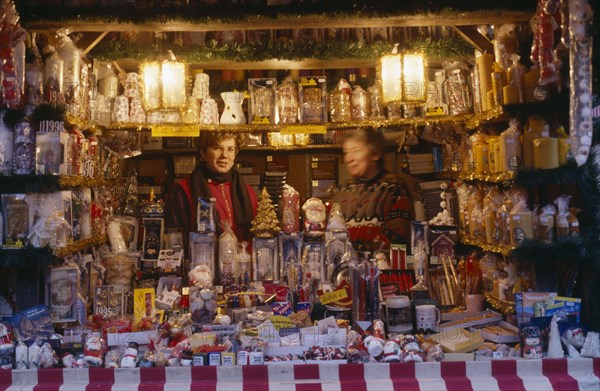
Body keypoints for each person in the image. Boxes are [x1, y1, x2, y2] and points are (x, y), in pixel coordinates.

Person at [165, 132, 258, 256]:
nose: (224, 155)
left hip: (243, 267)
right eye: (217, 148)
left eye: (230, 149)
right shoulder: (183, 190)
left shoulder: (247, 191)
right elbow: (175, 242)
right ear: (203, 153)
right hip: (201, 269)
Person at [329, 128, 415, 253]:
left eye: (356, 151)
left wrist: (355, 251)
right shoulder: (341, 191)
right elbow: (330, 234)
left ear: (375, 154)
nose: (349, 158)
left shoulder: (393, 188)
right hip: (344, 269)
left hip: (381, 269)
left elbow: (398, 239)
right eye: (346, 152)